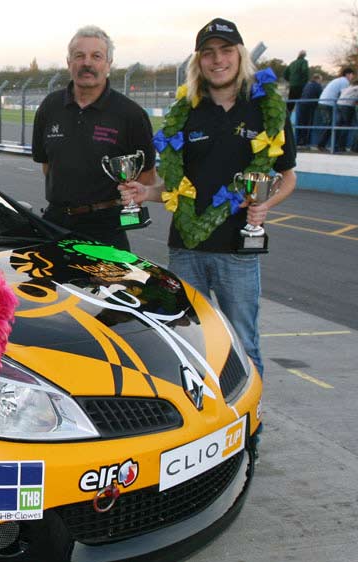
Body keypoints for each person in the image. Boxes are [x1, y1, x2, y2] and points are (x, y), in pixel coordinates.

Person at [119, 17, 297, 377]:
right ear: (198, 61)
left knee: (244, 343)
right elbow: (176, 187)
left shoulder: (266, 110)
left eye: (226, 51)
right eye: (208, 53)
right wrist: (146, 192)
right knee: (189, 344)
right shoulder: (186, 113)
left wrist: (264, 203)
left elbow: (288, 178)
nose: (218, 60)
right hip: (186, 250)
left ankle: (249, 414)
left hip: (237, 253)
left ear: (240, 55)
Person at [32, 25, 158, 251]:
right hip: (55, 223)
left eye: (96, 56)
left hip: (106, 228)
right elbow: (47, 165)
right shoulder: (50, 107)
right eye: (79, 56)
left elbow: (146, 176)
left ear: (108, 64)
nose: (87, 63)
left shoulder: (131, 114)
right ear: (69, 62)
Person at [315, 67, 355, 152]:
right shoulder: (345, 81)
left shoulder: (339, 80)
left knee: (332, 125)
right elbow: (344, 95)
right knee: (331, 125)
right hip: (328, 103)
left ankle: (328, 145)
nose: (352, 77)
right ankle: (322, 145)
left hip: (324, 102)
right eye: (352, 75)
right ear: (347, 74)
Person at [296, 73, 323, 146]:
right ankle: (305, 141)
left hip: (302, 105)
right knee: (308, 123)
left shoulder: (307, 85)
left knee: (301, 123)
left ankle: (299, 141)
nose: (321, 81)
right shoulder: (317, 86)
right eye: (321, 80)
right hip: (310, 106)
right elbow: (321, 96)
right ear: (317, 79)